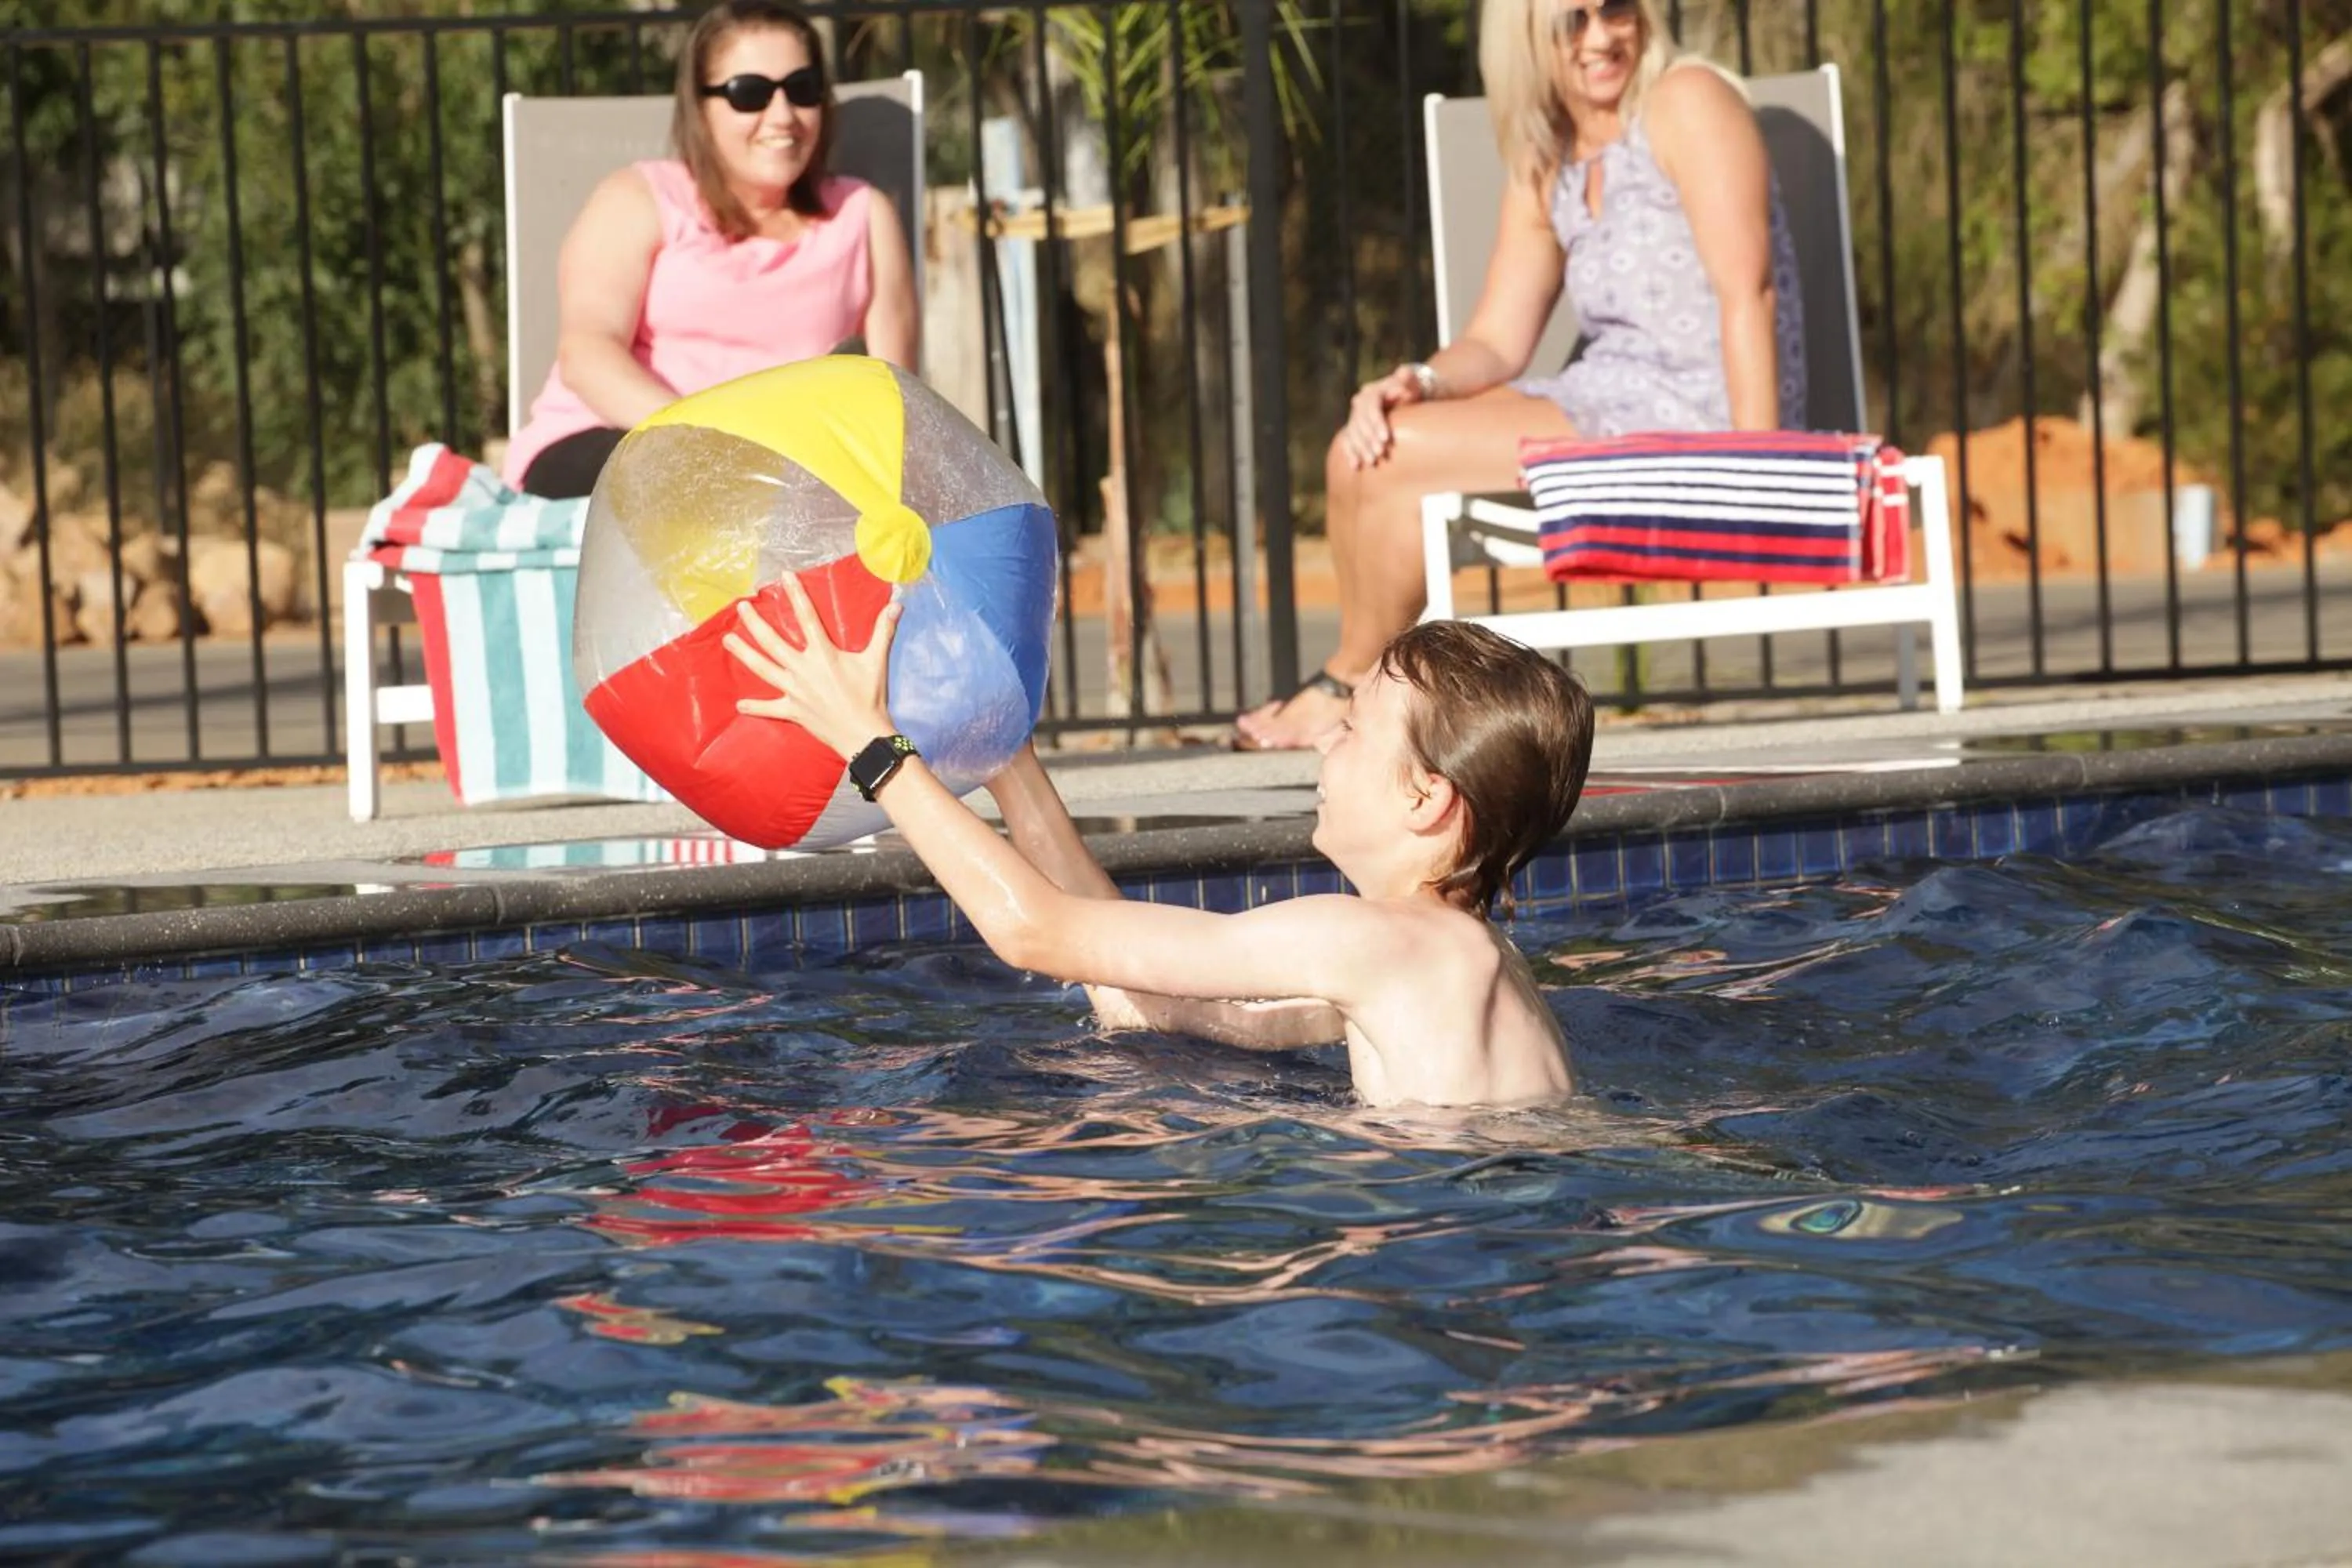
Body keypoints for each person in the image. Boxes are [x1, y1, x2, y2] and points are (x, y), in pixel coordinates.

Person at [720, 580, 1597, 1109]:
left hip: (1459, 1237)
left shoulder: (1377, 940)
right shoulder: (1452, 956)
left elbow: (1036, 935)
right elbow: (1141, 979)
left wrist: (871, 746)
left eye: (1356, 725)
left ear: (1425, 796)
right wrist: (1007, 766)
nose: (1327, 737)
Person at [1232, 0, 1806, 751]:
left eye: (1617, 10)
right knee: (1360, 447)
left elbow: (1748, 289)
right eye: (1574, 21)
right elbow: (1498, 339)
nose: (1603, 37)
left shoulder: (1687, 101)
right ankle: (1370, 693)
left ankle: (1350, 691)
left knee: (1389, 454)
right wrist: (1414, 380)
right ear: (1527, 37)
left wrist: (1754, 464)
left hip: (1699, 413)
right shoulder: (1552, 153)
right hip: (1608, 395)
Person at [503, 0, 920, 499]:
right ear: (700, 106)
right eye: (751, 94)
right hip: (619, 443)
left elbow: (896, 399)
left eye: (803, 89)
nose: (783, 115)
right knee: (684, 493)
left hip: (782, 477)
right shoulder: (639, 200)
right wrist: (706, 445)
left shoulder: (863, 216)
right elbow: (588, 354)